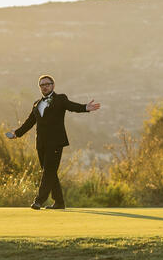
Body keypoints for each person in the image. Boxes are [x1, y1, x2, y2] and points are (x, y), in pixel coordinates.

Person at [6, 74, 100, 209]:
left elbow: (72, 106)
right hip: (41, 144)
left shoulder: (60, 99)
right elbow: (30, 122)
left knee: (48, 171)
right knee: (50, 172)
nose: (44, 87)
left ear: (53, 85)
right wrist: (17, 133)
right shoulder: (36, 104)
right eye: (42, 85)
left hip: (55, 142)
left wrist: (85, 107)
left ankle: (39, 200)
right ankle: (59, 202)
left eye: (47, 84)